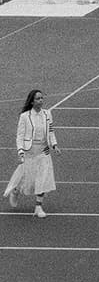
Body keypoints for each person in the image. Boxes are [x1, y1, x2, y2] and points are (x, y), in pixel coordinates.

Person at [3, 89, 60, 217]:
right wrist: (20, 151)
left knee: (42, 179)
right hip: (29, 152)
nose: (41, 101)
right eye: (38, 99)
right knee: (27, 179)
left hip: (44, 152)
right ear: (32, 102)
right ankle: (16, 190)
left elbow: (51, 131)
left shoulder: (47, 114)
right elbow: (20, 136)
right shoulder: (25, 117)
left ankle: (38, 207)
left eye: (42, 98)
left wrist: (54, 144)